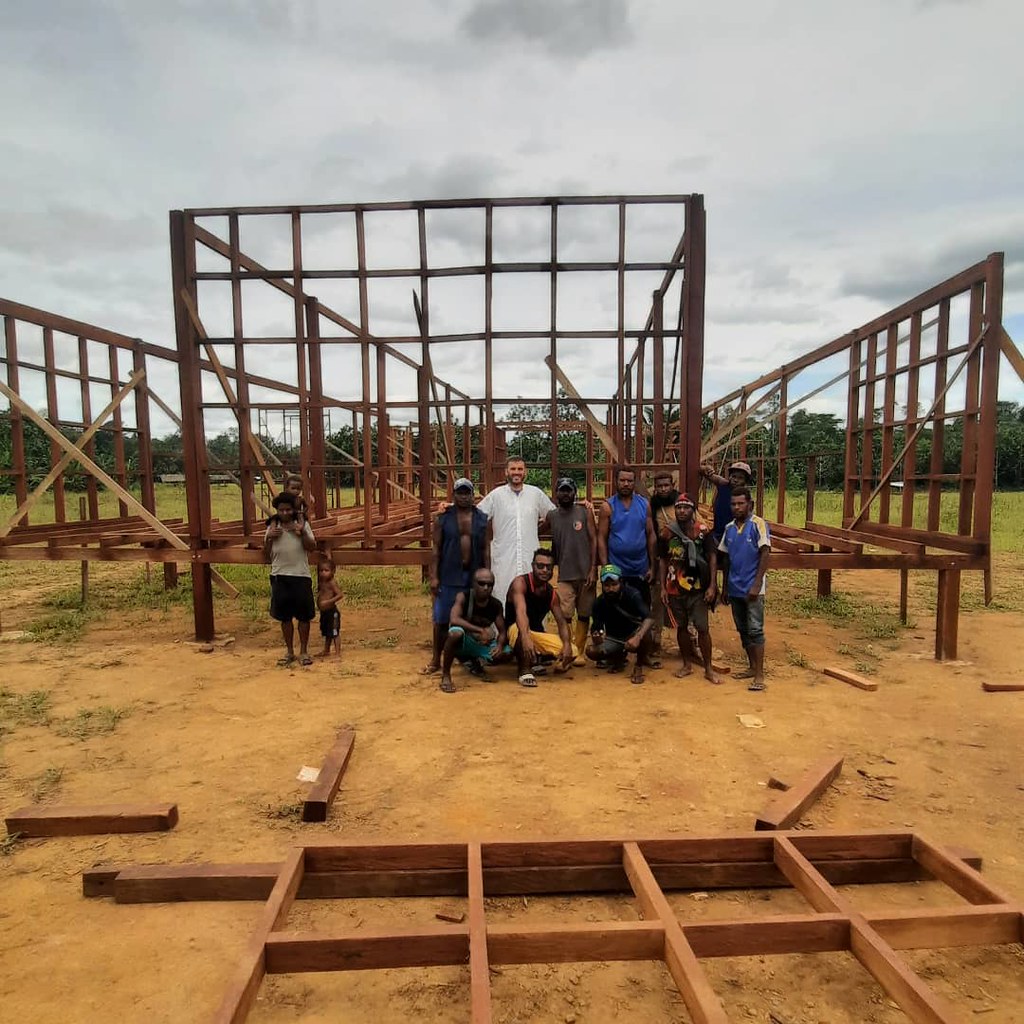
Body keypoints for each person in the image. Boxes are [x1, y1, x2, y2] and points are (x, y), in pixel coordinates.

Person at [424, 477, 491, 675]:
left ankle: (469, 658)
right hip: (449, 574)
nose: (463, 496)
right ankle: (437, 659)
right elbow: (435, 549)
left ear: (473, 495)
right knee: (442, 619)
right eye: (460, 493)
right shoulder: (442, 518)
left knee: (471, 618)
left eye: (467, 493)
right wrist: (434, 576)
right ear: (454, 495)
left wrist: (487, 575)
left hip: (473, 576)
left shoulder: (482, 519)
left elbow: (486, 549)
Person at [660, 494, 721, 684]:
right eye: (678, 507)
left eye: (686, 507)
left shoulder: (703, 531)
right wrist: (662, 587)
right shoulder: (667, 533)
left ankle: (708, 668)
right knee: (681, 627)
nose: (682, 511)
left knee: (703, 628)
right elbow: (662, 560)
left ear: (693, 511)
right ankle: (687, 664)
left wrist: (712, 585)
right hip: (674, 587)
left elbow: (712, 558)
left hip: (698, 588)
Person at [478, 456, 555, 605]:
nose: (516, 472)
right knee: (501, 596)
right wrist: (452, 508)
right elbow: (476, 514)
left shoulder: (536, 494)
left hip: (529, 557)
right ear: (506, 471)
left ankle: (532, 629)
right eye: (513, 469)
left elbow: (553, 515)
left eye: (520, 469)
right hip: (503, 559)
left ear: (525, 471)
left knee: (531, 597)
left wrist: (537, 530)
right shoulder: (496, 495)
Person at [717, 486, 771, 692]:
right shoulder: (729, 528)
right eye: (733, 504)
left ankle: (759, 674)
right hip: (735, 587)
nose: (737, 507)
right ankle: (751, 667)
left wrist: (757, 583)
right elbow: (727, 558)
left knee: (756, 629)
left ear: (750, 504)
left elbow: (765, 553)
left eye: (741, 503)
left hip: (753, 588)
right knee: (743, 629)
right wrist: (725, 587)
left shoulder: (759, 525)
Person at [545, 477, 597, 665]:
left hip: (585, 574)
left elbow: (593, 539)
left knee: (584, 612)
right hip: (565, 574)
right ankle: (568, 649)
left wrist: (593, 568)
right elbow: (538, 529)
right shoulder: (552, 515)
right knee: (564, 613)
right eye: (562, 490)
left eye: (569, 490)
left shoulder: (584, 512)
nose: (565, 494)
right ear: (556, 493)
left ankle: (580, 650)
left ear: (575, 492)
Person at [505, 548, 575, 687]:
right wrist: (525, 636)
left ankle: (539, 658)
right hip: (516, 629)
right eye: (540, 566)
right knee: (521, 633)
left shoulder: (551, 593)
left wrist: (566, 645)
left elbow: (561, 622)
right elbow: (521, 612)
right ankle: (524, 670)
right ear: (532, 566)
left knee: (573, 650)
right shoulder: (520, 583)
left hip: (536, 634)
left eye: (548, 567)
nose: (544, 570)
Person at [263, 490, 317, 666]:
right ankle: (289, 652)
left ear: (293, 510)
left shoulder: (302, 524)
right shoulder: (271, 527)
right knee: (285, 618)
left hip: (300, 576)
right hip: (279, 576)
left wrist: (302, 534)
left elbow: (312, 547)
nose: (285, 513)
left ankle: (303, 651)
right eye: (281, 510)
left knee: (304, 617)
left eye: (288, 510)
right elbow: (265, 556)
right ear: (277, 510)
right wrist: (269, 539)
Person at [439, 568, 510, 693]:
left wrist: (499, 645)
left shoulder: (496, 605)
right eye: (481, 583)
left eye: (489, 584)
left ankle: (473, 661)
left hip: (482, 644)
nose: (485, 587)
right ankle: (446, 676)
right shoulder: (463, 597)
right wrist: (480, 630)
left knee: (507, 653)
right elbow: (454, 619)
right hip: (465, 640)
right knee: (455, 633)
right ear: (473, 583)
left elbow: (503, 631)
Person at [597, 465, 657, 608]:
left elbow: (651, 535)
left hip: (640, 570)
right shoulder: (607, 507)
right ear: (616, 481)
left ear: (634, 482)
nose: (626, 484)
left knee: (642, 610)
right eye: (622, 480)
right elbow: (601, 538)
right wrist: (606, 567)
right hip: (617, 571)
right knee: (617, 611)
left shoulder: (644, 504)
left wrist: (653, 567)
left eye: (629, 481)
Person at [586, 564, 655, 685]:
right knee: (591, 651)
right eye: (607, 585)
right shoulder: (599, 603)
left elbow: (649, 618)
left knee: (646, 634)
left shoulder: (633, 594)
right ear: (602, 585)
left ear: (621, 582)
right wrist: (597, 638)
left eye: (614, 584)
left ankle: (639, 665)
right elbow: (596, 628)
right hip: (614, 638)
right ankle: (618, 659)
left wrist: (637, 637)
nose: (610, 589)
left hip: (633, 634)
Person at [648, 471, 680, 650]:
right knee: (657, 601)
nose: (663, 489)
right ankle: (655, 641)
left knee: (683, 601)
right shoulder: (652, 506)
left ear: (672, 485)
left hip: (681, 562)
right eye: (659, 486)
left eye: (666, 485)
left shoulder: (681, 503)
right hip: (661, 558)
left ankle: (690, 642)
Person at [699, 460, 752, 544]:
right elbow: (703, 471)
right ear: (729, 476)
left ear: (746, 481)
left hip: (735, 536)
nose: (736, 480)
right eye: (733, 476)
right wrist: (706, 468)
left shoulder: (745, 496)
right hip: (718, 533)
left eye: (740, 478)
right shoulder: (723, 484)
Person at [317, 558, 343, 658]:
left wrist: (328, 602)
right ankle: (326, 650)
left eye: (326, 570)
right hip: (325, 612)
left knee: (334, 632)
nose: (323, 573)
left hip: (332, 612)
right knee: (327, 632)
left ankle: (338, 653)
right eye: (321, 571)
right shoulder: (321, 582)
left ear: (332, 571)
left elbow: (340, 595)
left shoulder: (332, 583)